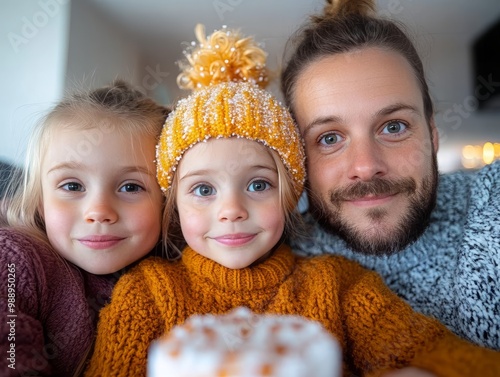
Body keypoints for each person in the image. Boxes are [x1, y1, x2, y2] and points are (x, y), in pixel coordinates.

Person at [84, 25, 500, 377]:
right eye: (203, 190)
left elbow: (424, 347)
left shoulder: (336, 284)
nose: (231, 210)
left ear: (290, 192)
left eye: (259, 184)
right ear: (172, 202)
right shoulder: (146, 294)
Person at [280, 0, 500, 350]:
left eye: (394, 127)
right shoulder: (267, 259)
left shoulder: (493, 206)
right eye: (329, 138)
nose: (366, 166)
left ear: (433, 133)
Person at [0, 80, 169, 376]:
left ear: (166, 201)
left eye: (131, 186)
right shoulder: (15, 259)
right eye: (72, 185)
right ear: (40, 200)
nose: (99, 212)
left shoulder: (170, 276)